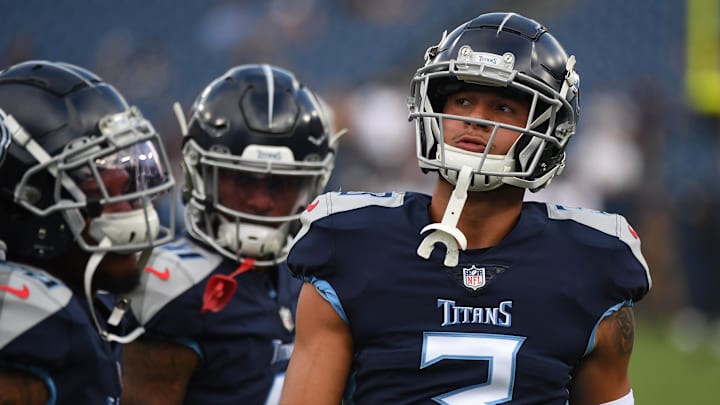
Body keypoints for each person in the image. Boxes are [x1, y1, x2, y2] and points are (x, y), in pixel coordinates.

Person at [281, 12, 651, 405]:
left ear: (548, 131)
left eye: (502, 109)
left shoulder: (592, 263)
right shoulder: (350, 244)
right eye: (462, 101)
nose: (474, 120)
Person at [122, 64, 342, 404]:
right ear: (201, 175)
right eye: (242, 179)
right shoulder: (173, 283)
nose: (260, 201)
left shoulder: (307, 271)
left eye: (281, 183)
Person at [0, 60, 176, 404]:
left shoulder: (89, 306)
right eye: (106, 188)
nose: (139, 211)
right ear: (26, 197)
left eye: (135, 182)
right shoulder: (42, 322)